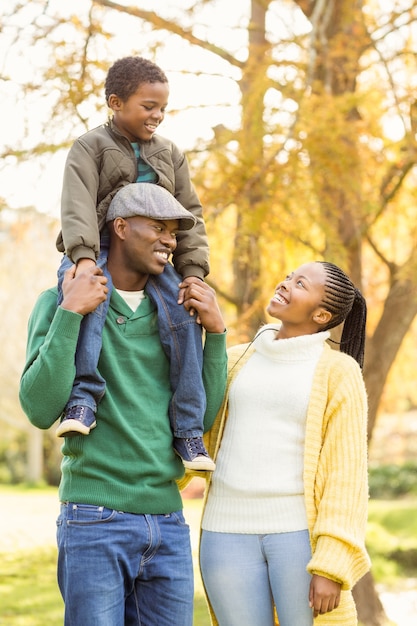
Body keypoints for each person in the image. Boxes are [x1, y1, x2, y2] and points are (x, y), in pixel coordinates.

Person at [19, 183, 227, 626]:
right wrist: (70, 314)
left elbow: (198, 420)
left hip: (167, 521)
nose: (170, 240)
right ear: (120, 227)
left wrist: (216, 336)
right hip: (94, 518)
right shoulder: (57, 301)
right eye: (157, 227)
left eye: (174, 231)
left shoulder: (178, 316)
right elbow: (39, 408)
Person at [54, 55, 214, 471]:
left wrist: (193, 273)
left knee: (183, 317)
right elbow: (77, 207)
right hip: (99, 248)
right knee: (89, 303)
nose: (157, 115)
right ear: (116, 102)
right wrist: (85, 259)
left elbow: (190, 213)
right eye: (148, 106)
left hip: (155, 257)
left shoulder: (171, 154)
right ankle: (82, 399)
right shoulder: (90, 148)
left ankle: (188, 431)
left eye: (162, 107)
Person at [195, 261, 371, 626]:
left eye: (300, 283)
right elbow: (191, 425)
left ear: (321, 314)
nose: (285, 283)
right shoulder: (234, 360)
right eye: (289, 275)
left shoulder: (339, 372)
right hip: (224, 531)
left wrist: (332, 564)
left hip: (298, 538)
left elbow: (346, 475)